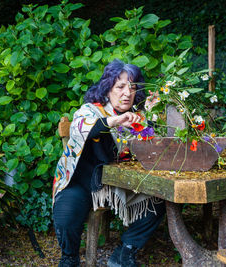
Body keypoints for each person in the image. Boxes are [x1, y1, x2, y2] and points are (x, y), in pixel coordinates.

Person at [52, 59, 165, 267]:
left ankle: (125, 251)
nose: (127, 93)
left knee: (160, 199)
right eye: (120, 86)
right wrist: (115, 121)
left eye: (132, 88)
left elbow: (155, 146)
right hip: (83, 182)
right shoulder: (91, 110)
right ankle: (69, 258)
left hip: (122, 184)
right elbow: (87, 128)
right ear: (107, 89)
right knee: (66, 213)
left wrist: (152, 115)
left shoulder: (138, 116)